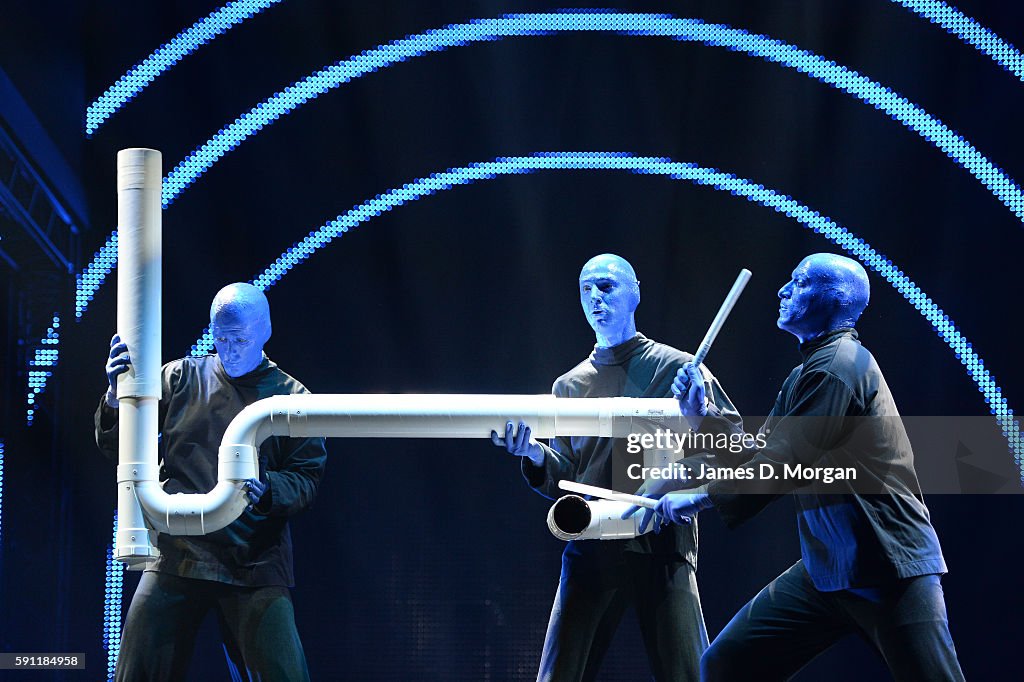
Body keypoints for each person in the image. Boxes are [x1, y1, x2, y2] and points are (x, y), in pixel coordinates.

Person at [628, 253, 964, 680]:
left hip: (887, 567)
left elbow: (780, 466)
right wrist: (703, 416)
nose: (783, 290)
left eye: (800, 282)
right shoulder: (809, 372)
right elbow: (757, 454)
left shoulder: (839, 368)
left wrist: (700, 497)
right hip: (829, 569)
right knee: (727, 664)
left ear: (837, 299)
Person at [491, 254, 740, 682]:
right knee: (560, 674)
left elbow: (730, 444)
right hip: (591, 540)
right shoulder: (569, 385)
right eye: (586, 288)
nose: (594, 297)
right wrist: (532, 454)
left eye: (606, 286)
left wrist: (696, 422)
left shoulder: (678, 368)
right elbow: (567, 471)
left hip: (661, 543)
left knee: (686, 672)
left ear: (635, 291)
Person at [95, 282, 327, 682]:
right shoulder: (180, 378)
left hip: (251, 561)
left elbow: (306, 478)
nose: (230, 349)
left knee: (285, 675)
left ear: (264, 331)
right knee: (135, 672)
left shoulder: (293, 397)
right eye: (221, 338)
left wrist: (268, 487)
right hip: (177, 554)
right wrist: (118, 399)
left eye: (240, 339)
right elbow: (121, 450)